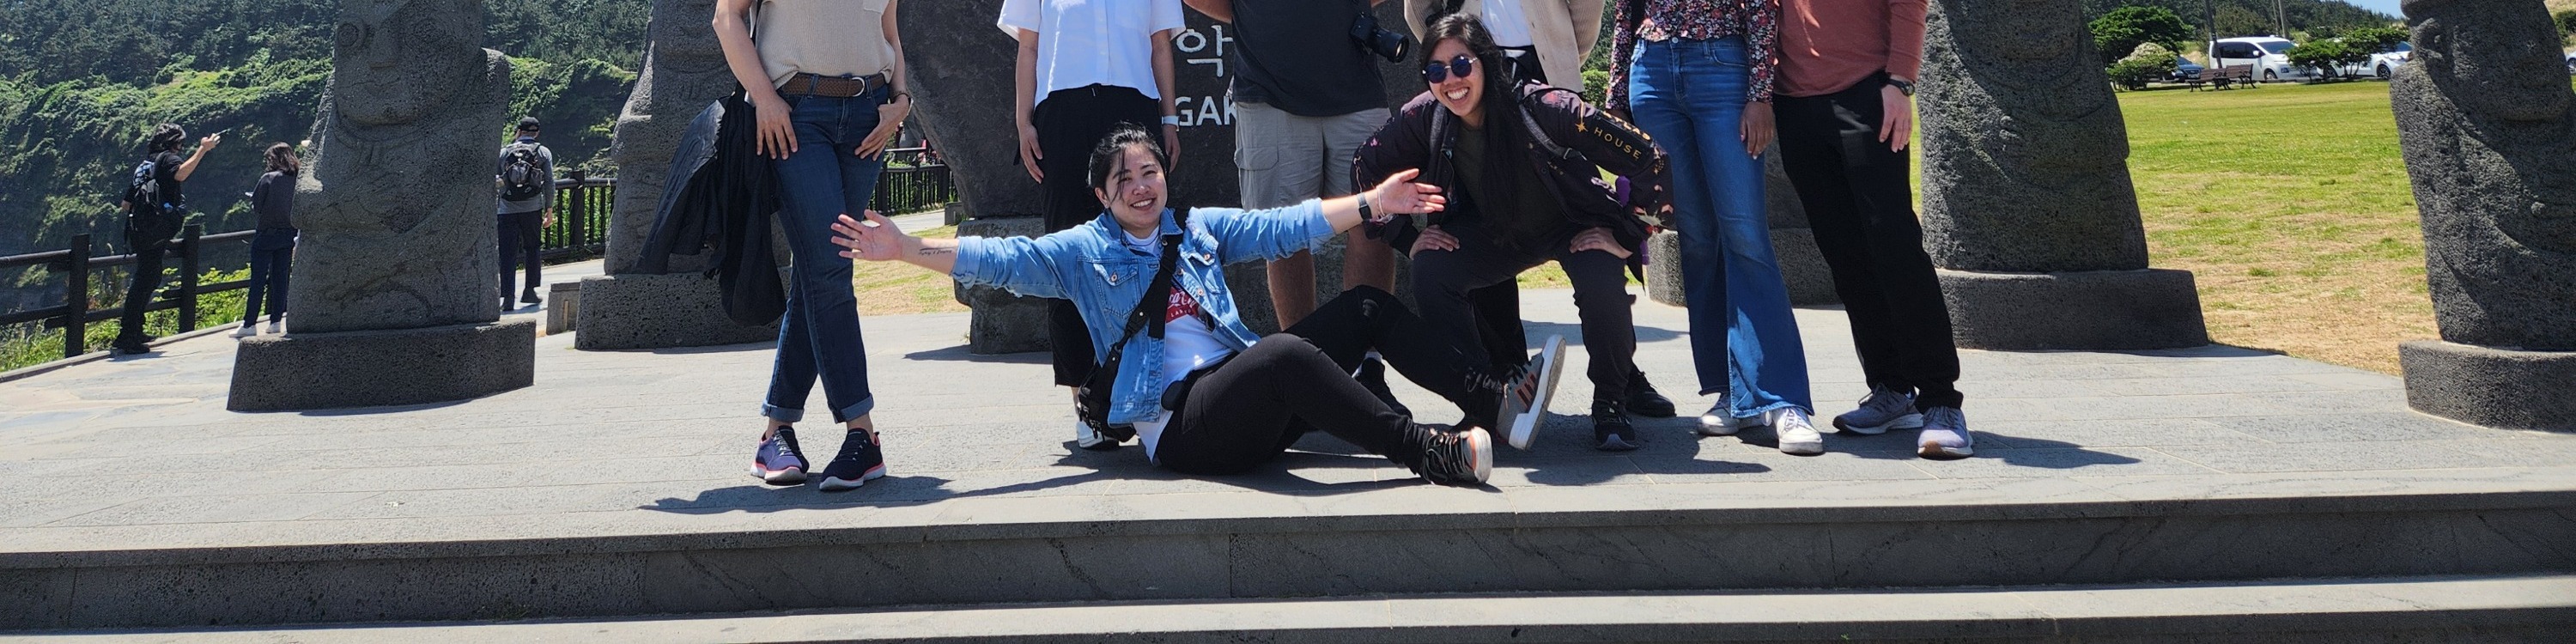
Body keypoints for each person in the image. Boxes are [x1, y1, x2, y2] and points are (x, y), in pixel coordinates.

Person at [832, 126, 1555, 486]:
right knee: (1280, 352)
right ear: (1102, 195)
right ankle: (1431, 454)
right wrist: (905, 252)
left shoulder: (1197, 229)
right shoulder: (1084, 251)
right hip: (1185, 425)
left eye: (1151, 172)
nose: (1143, 186)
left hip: (1247, 401)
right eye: (1126, 179)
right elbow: (1003, 262)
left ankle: (1495, 406)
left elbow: (1284, 225)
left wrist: (1372, 202)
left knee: (1365, 304)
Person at [1352, 14, 1673, 452]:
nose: (1451, 81)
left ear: (1486, 61)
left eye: (1462, 65)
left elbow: (1650, 158)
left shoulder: (1549, 108)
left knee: (1602, 286)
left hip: (1574, 225)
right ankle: (1486, 398)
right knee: (1431, 270)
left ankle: (1611, 400)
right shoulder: (1424, 117)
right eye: (1436, 71)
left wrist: (1629, 233)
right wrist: (1406, 239)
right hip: (1495, 234)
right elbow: (1364, 166)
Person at [715, 0, 915, 490]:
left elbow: (888, 34)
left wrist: (902, 102)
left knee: (819, 272)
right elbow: (726, 17)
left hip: (870, 116)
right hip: (797, 113)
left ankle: (776, 431)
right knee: (829, 268)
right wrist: (763, 96)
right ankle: (861, 432)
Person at [1607, 0, 1821, 454]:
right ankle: (1730, 392)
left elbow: (1763, 10)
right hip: (1652, 73)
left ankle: (1782, 400)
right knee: (1698, 242)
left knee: (1746, 238)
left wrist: (1760, 95)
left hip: (1722, 67)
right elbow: (1626, 12)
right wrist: (1616, 97)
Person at [1180, 0, 1404, 409]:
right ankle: (1307, 373)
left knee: (1375, 223)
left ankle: (1367, 366)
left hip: (1355, 84)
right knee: (1281, 236)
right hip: (1269, 93)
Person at [1771, 0, 1969, 459]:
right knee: (1845, 255)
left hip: (1866, 93)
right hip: (1794, 105)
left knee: (1894, 243)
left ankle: (1940, 399)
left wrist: (1900, 81)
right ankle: (1889, 388)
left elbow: (1908, 4)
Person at [999, 0, 1186, 450]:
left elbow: (1160, 46)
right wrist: (1024, 121)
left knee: (1145, 249)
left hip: (1132, 110)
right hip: (1063, 115)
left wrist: (1168, 119)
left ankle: (1150, 394)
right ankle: (1085, 404)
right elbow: (1029, 47)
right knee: (1070, 255)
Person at [112, 124, 219, 355]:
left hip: (138, 229)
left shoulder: (146, 164)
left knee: (147, 277)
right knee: (145, 280)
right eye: (180, 143)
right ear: (173, 142)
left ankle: (134, 330)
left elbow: (125, 203)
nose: (181, 147)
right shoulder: (168, 159)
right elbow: (181, 173)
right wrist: (203, 150)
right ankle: (127, 336)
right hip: (153, 231)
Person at [1402, 0, 1601, 89]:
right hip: (1473, 69)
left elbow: (1587, 7)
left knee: (1560, 163)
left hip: (1546, 71)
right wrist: (1449, 56)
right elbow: (1419, 9)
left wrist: (1563, 55)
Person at [234, 143, 298, 337]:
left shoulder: (268, 178)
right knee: (281, 279)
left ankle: (249, 324)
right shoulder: (297, 179)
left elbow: (258, 205)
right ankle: (276, 321)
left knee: (258, 280)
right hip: (288, 234)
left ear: (274, 159)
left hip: (266, 234)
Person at [495, 116, 556, 312]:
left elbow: (496, 180)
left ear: (518, 132)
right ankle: (529, 290)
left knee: (507, 253)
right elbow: (549, 183)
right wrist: (549, 210)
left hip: (506, 209)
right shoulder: (543, 152)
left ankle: (508, 298)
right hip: (532, 208)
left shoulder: (504, 152)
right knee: (533, 248)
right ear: (536, 133)